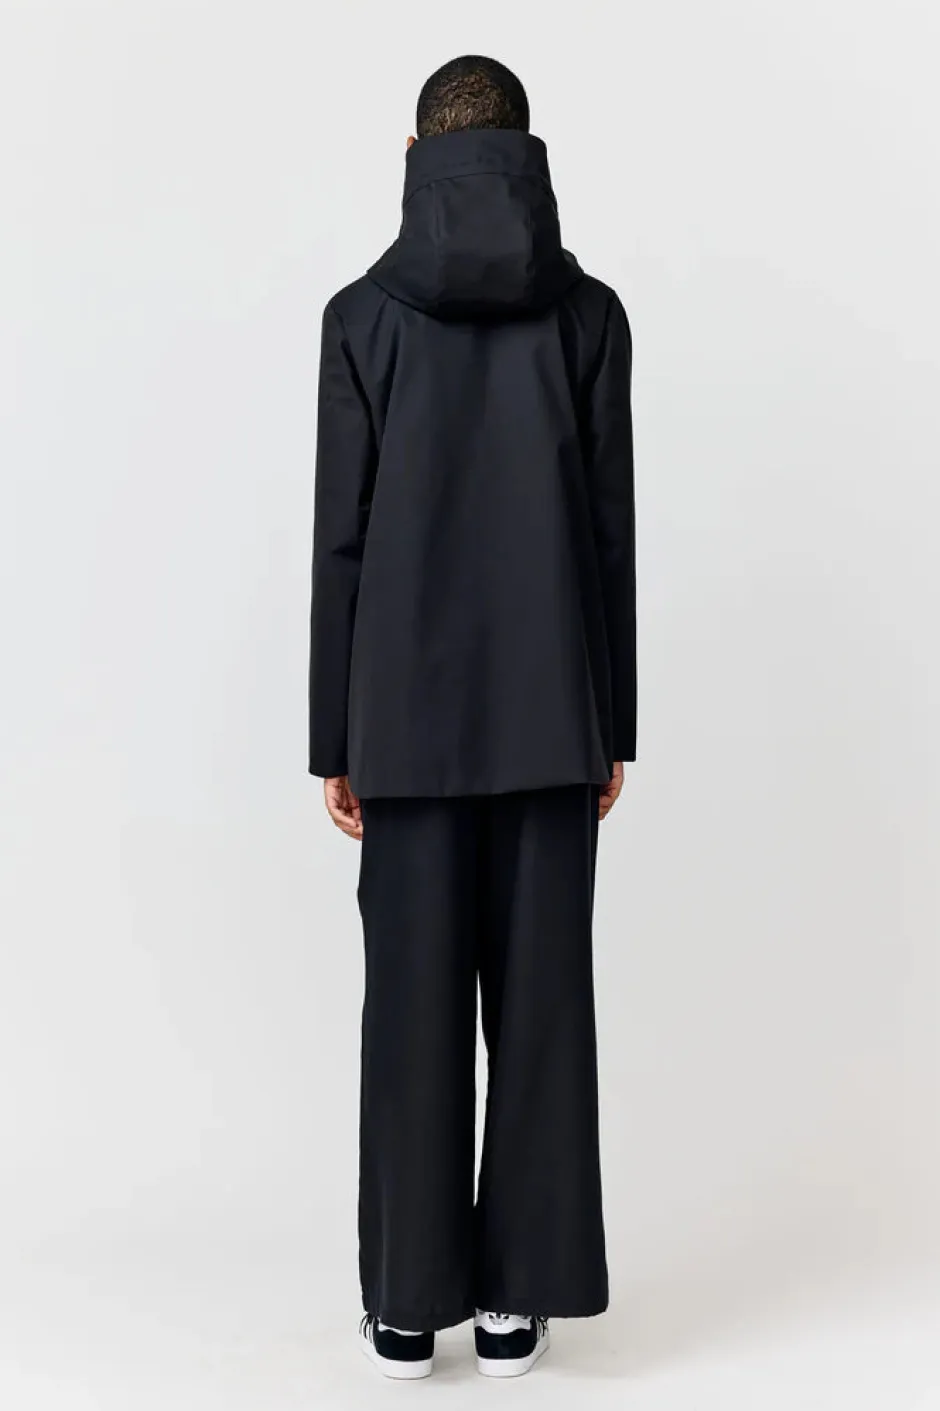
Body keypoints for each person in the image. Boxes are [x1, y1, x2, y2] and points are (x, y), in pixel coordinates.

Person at [309, 54, 636, 1381]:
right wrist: (613, 722)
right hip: (554, 713)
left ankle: (407, 1305)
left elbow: (343, 540)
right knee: (544, 1005)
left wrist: (335, 737)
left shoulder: (360, 318)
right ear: (529, 154)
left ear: (415, 154)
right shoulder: (591, 316)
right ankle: (515, 1303)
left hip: (402, 723)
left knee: (411, 1007)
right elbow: (609, 533)